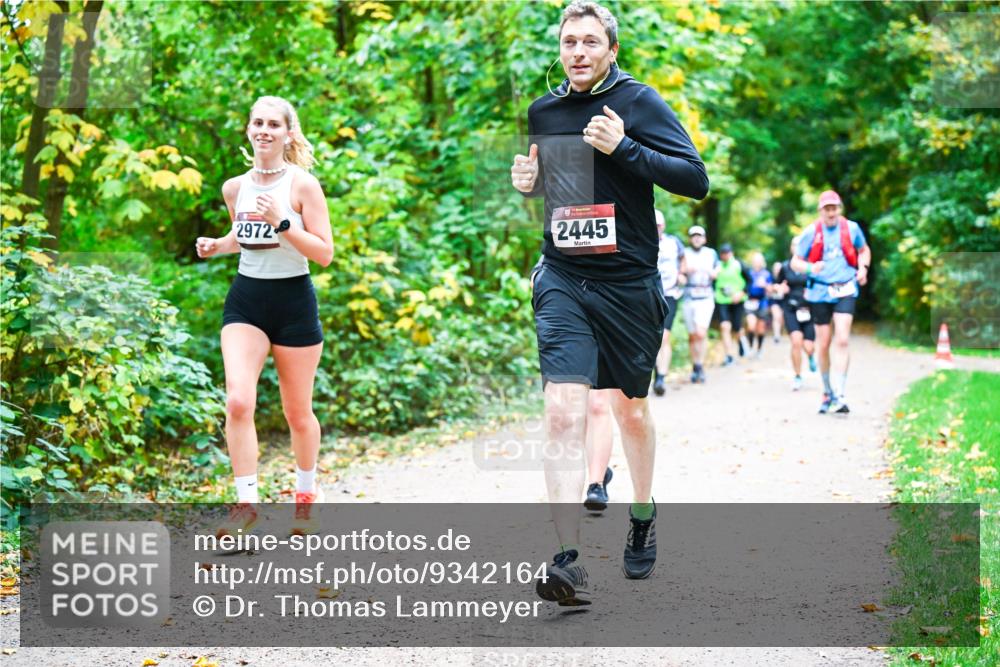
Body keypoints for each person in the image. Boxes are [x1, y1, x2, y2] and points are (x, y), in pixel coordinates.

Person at [512, 0, 708, 605]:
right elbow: (565, 188)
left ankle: (643, 514)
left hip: (628, 285)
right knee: (563, 414)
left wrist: (625, 147)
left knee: (629, 411)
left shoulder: (640, 103)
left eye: (591, 42)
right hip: (564, 278)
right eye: (570, 41)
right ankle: (567, 560)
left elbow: (695, 180)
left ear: (611, 49)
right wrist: (531, 184)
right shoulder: (543, 109)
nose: (578, 52)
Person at [196, 96, 333, 537]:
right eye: (258, 122)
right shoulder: (234, 188)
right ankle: (246, 506)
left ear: (288, 133)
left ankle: (306, 499)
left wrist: (285, 222)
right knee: (238, 401)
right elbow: (246, 236)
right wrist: (219, 244)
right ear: (249, 129)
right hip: (247, 301)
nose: (265, 130)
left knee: (297, 413)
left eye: (275, 124)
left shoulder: (303, 186)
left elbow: (325, 253)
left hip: (294, 302)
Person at [792, 190, 871, 414]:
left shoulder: (851, 229)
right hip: (819, 292)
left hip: (845, 287)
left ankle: (841, 392)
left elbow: (864, 250)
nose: (831, 212)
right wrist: (810, 268)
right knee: (823, 343)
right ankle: (827, 391)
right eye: (827, 208)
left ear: (839, 209)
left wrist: (863, 268)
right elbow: (795, 261)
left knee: (843, 339)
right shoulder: (811, 232)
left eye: (834, 208)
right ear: (820, 211)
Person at [652, 209, 687, 396]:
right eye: (653, 225)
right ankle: (653, 372)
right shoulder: (641, 241)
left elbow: (683, 259)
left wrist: (682, 273)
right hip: (648, 296)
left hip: (670, 294)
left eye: (658, 225)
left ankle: (661, 378)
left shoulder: (674, 243)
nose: (656, 228)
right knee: (651, 339)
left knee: (664, 336)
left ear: (663, 226)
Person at [776, 236, 817, 391]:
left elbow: (819, 284)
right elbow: (777, 284)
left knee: (808, 346)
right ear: (791, 248)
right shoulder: (785, 267)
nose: (797, 247)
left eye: (800, 245)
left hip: (809, 309)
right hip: (790, 308)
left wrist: (812, 292)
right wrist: (780, 288)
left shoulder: (811, 266)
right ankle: (798, 376)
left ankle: (811, 356)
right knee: (796, 341)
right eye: (794, 245)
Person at [682, 226, 719, 383]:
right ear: (690, 238)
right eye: (694, 236)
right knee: (692, 335)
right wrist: (685, 271)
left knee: (701, 333)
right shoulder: (684, 253)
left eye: (699, 236)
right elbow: (680, 272)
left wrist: (714, 273)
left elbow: (718, 269)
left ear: (704, 238)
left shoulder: (711, 253)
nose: (697, 238)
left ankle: (701, 365)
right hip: (689, 297)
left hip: (705, 297)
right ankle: (695, 366)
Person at [712, 243, 748, 366]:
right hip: (722, 300)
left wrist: (741, 293)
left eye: (727, 253)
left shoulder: (739, 264)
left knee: (737, 328)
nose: (725, 256)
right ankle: (729, 356)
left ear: (731, 253)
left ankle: (741, 342)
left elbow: (750, 280)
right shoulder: (717, 266)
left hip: (737, 300)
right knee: (725, 327)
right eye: (723, 253)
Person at [744, 251, 773, 359]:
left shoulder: (766, 274)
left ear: (762, 262)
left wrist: (765, 285)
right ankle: (750, 347)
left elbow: (771, 289)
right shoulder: (749, 273)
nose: (757, 263)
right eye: (755, 260)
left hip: (762, 302)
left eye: (759, 261)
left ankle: (759, 349)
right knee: (751, 326)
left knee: (760, 329)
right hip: (750, 301)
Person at [769, 260, 785, 343]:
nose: (777, 270)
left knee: (781, 318)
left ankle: (779, 332)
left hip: (783, 300)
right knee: (776, 316)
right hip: (774, 300)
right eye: (776, 268)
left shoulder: (785, 277)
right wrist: (772, 288)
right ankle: (776, 335)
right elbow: (766, 288)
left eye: (779, 268)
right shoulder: (770, 277)